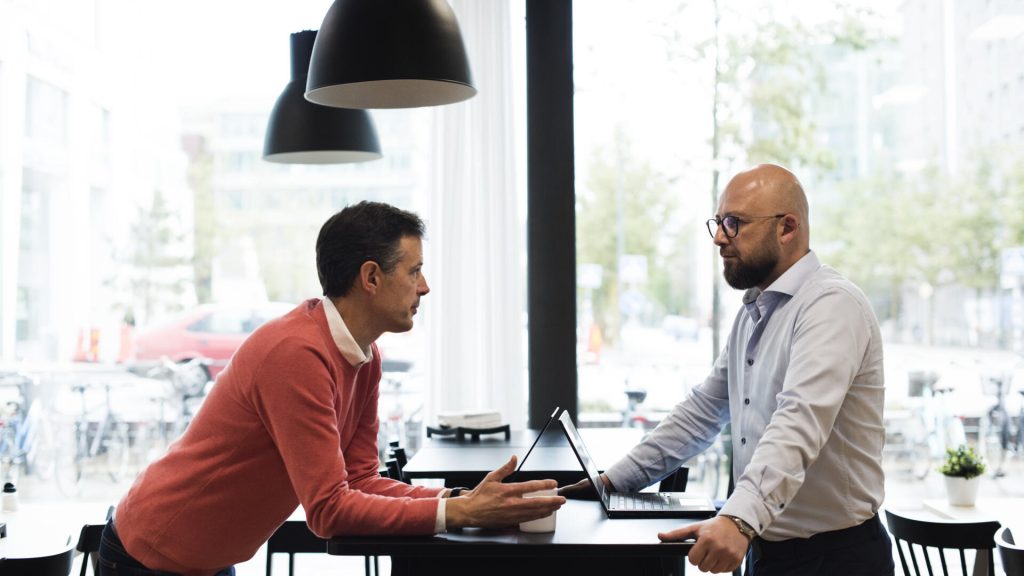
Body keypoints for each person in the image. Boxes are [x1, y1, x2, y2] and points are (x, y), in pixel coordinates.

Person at [99, 201, 564, 576]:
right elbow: (328, 511)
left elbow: (360, 481)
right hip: (151, 554)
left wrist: (458, 500)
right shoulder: (296, 353)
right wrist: (459, 514)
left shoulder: (365, 355)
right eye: (414, 271)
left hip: (205, 557)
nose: (424, 287)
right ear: (371, 278)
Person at [562, 164, 893, 575]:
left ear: (787, 228)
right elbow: (703, 411)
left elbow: (798, 423)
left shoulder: (831, 306)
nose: (720, 238)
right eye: (718, 223)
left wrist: (738, 520)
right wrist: (611, 482)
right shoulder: (755, 311)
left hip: (835, 559)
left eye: (734, 223)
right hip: (767, 548)